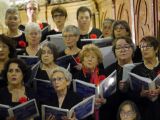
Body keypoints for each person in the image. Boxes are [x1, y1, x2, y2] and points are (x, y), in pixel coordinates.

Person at [100, 36, 135, 120]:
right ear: (114, 52)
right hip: (112, 112)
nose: (122, 50)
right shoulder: (107, 71)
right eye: (118, 48)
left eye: (126, 46)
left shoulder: (139, 68)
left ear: (132, 49)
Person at [73, 44, 106, 120]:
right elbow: (73, 97)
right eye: (87, 57)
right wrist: (84, 100)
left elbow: (109, 94)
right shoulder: (76, 76)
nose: (90, 59)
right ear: (82, 60)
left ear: (98, 61)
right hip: (84, 114)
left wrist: (105, 100)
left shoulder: (104, 73)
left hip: (103, 112)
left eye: (93, 57)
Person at [131, 36, 160, 120]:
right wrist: (141, 94)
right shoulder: (135, 70)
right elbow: (132, 95)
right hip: (145, 111)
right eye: (142, 46)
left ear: (156, 49)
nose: (145, 49)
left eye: (148, 46)